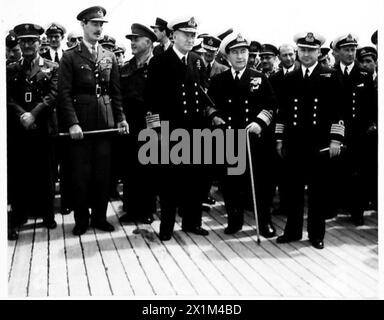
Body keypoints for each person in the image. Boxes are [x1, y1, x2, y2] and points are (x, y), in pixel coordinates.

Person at [57, 6, 129, 236]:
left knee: (103, 174)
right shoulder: (70, 56)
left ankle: (100, 217)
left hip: (106, 124)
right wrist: (72, 122)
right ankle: (81, 219)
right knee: (81, 174)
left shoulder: (108, 56)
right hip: (82, 125)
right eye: (94, 24)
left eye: (101, 25)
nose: (98, 28)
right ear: (83, 25)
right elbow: (64, 94)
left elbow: (116, 92)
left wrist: (121, 118)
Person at [275, 32, 345, 249]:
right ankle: (293, 232)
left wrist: (336, 139)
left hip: (319, 143)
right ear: (298, 51)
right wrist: (279, 139)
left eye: (311, 50)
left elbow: (339, 111)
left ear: (318, 52)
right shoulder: (289, 78)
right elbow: (283, 113)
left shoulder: (330, 76)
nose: (306, 54)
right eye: (303, 50)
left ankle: (316, 234)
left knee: (317, 192)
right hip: (295, 143)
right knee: (293, 191)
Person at [145, 16, 210, 241]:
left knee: (194, 180)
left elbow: (203, 95)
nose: (191, 39)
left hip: (195, 130)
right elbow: (150, 101)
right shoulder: (159, 62)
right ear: (173, 35)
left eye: (193, 35)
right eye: (186, 35)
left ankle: (193, 222)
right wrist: (156, 132)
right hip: (169, 132)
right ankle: (167, 226)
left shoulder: (197, 61)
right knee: (169, 183)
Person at [207, 32, 277, 237]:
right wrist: (215, 118)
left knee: (261, 185)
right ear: (227, 56)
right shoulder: (219, 80)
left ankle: (264, 223)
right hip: (230, 140)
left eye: (244, 52)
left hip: (254, 140)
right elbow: (209, 106)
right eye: (235, 52)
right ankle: (234, 221)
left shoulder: (259, 77)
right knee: (231, 184)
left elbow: (271, 105)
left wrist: (259, 122)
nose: (240, 57)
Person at [7, 23, 59, 238]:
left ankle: (47, 213)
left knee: (46, 172)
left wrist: (34, 114)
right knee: (19, 173)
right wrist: (22, 115)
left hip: (43, 126)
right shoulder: (10, 69)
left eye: (32, 41)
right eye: (23, 41)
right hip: (19, 129)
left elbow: (54, 93)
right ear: (18, 44)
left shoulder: (52, 67)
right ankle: (19, 214)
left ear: (40, 43)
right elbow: (7, 97)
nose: (27, 45)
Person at [332, 34, 377, 224]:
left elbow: (372, 104)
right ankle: (333, 207)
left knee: (359, 172)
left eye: (352, 50)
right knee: (336, 170)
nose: (350, 54)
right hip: (336, 130)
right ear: (338, 52)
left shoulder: (364, 75)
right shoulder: (329, 73)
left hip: (359, 131)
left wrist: (372, 124)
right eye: (346, 50)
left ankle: (357, 212)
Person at [119, 23, 158, 224]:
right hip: (130, 124)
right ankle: (131, 209)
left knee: (148, 168)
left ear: (148, 42)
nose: (132, 43)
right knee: (130, 167)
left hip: (152, 123)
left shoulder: (158, 67)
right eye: (131, 40)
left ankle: (147, 210)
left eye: (136, 39)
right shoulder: (126, 67)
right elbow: (120, 96)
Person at [269, 44, 299, 216]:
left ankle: (293, 206)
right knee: (281, 169)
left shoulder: (303, 74)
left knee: (294, 171)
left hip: (298, 129)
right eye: (284, 55)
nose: (288, 58)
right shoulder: (274, 78)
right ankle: (283, 204)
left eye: (291, 54)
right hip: (280, 128)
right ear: (279, 58)